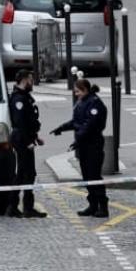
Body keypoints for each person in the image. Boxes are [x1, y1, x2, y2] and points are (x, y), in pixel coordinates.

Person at [50, 78, 108, 218]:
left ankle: (103, 207)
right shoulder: (82, 102)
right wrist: (61, 128)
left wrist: (78, 140)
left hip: (93, 144)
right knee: (87, 176)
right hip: (84, 145)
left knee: (94, 176)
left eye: (77, 91)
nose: (76, 94)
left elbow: (90, 125)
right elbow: (76, 121)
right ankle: (93, 205)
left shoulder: (95, 104)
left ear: (85, 90)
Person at [6, 69, 47, 218]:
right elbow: (20, 123)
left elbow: (29, 121)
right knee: (23, 173)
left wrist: (35, 137)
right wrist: (29, 141)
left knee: (29, 173)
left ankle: (25, 207)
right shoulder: (18, 99)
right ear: (24, 80)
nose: (32, 82)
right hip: (21, 140)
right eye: (30, 79)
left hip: (26, 139)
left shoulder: (24, 97)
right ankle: (15, 206)